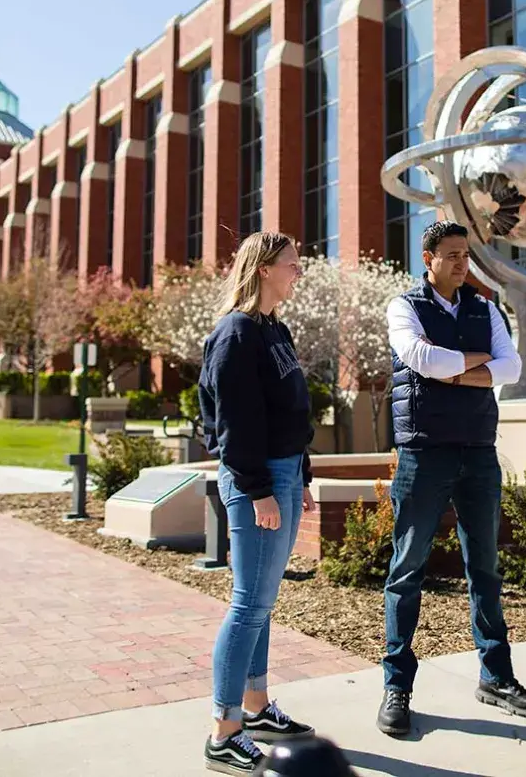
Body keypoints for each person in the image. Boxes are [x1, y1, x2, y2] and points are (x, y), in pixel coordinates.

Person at [377, 221, 526, 737]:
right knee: (406, 571)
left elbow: (513, 368)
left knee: (486, 569)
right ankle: (397, 686)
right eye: (450, 255)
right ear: (427, 258)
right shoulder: (403, 307)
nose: (460, 263)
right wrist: (477, 365)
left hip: (478, 453)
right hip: (423, 454)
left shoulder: (485, 307)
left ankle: (496, 678)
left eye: (465, 254)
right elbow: (420, 359)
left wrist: (454, 370)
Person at [199, 231, 317, 776]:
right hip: (259, 479)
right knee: (248, 604)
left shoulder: (275, 329)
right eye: (292, 264)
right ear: (265, 268)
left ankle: (256, 706)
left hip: (285, 471)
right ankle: (224, 732)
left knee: (263, 603)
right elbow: (230, 421)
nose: (298, 272)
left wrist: (303, 475)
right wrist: (257, 488)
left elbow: (289, 413)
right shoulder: (236, 333)